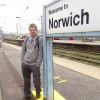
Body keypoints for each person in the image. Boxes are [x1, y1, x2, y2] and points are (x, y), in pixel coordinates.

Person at [21, 23, 43, 100]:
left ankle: (38, 92)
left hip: (34, 64)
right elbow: (23, 49)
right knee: (26, 80)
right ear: (29, 31)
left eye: (34, 30)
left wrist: (38, 64)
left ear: (36, 30)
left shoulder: (39, 39)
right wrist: (22, 60)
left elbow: (41, 52)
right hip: (25, 63)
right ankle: (27, 94)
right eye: (31, 30)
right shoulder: (27, 38)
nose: (32, 31)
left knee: (36, 80)